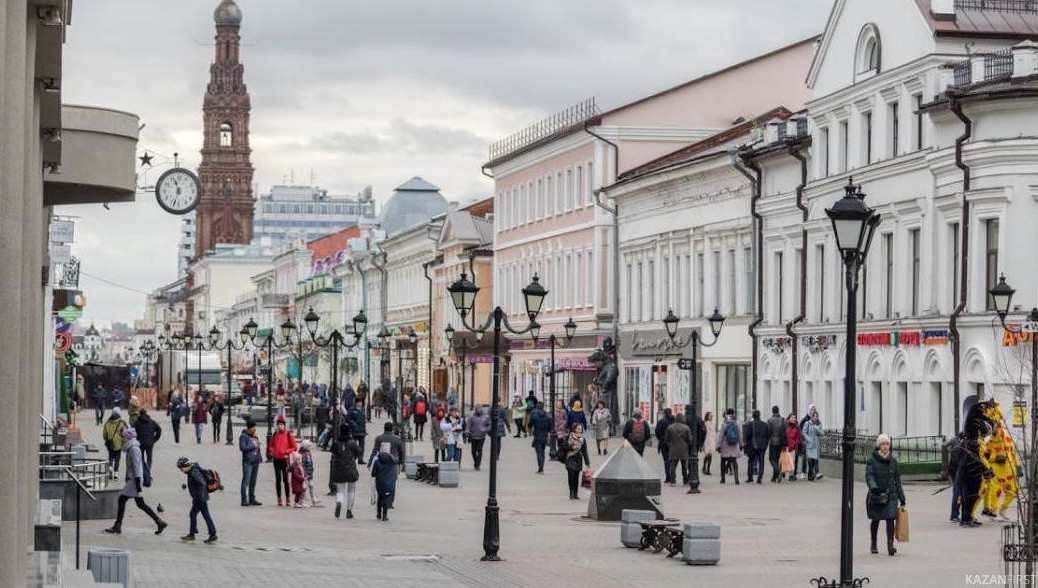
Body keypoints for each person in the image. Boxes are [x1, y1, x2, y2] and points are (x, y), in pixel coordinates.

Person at [105, 428, 166, 535]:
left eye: (123, 437)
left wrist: (138, 483)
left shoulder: (134, 449)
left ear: (128, 438)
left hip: (135, 480)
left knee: (122, 499)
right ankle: (159, 522)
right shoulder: (131, 448)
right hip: (133, 479)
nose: (122, 440)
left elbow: (137, 467)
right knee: (141, 504)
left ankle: (117, 526)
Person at [866, 434, 906, 556]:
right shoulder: (872, 460)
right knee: (876, 519)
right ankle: (873, 543)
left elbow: (897, 480)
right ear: (879, 446)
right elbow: (869, 475)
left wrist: (902, 497)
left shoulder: (893, 461)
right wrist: (873, 487)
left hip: (891, 494)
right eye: (883, 444)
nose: (885, 446)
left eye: (887, 444)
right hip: (876, 494)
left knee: (890, 519)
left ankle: (890, 545)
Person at [176, 457, 217, 543]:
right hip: (200, 497)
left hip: (200, 498)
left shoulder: (193, 472)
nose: (181, 470)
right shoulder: (192, 470)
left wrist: (198, 497)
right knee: (196, 514)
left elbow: (202, 483)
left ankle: (194, 534)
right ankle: (199, 532)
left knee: (200, 515)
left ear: (185, 466)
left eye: (181, 468)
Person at [330, 423, 361, 519]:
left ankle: (339, 502)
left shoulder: (336, 443)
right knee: (351, 490)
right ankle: (349, 511)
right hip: (350, 468)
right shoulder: (352, 443)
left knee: (340, 490)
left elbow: (333, 452)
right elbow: (358, 452)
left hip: (339, 469)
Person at [269, 415, 298, 507]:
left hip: (285, 459)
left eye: (281, 425)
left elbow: (294, 447)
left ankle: (288, 498)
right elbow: (271, 446)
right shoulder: (274, 435)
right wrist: (273, 452)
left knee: (286, 480)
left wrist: (286, 451)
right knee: (278, 480)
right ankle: (279, 499)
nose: (280, 426)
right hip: (276, 459)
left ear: (284, 426)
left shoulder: (288, 435)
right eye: (279, 425)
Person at [562, 423, 591, 500]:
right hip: (570, 458)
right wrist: (572, 447)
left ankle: (576, 493)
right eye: (578, 429)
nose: (579, 430)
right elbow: (564, 446)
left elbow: (585, 451)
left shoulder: (583, 439)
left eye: (580, 429)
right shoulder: (569, 436)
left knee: (576, 477)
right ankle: (571, 492)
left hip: (578, 459)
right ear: (574, 429)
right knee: (571, 476)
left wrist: (587, 463)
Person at [133, 409, 162, 485]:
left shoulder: (136, 423)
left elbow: (132, 432)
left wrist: (136, 439)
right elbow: (159, 429)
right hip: (150, 443)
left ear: (140, 414)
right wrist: (155, 439)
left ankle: (143, 473)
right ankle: (148, 472)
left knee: (141, 459)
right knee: (149, 459)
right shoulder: (151, 422)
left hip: (140, 443)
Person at [238, 420, 262, 506]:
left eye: (255, 427)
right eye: (253, 427)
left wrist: (260, 457)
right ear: (249, 428)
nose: (255, 429)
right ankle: (244, 499)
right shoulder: (243, 436)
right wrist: (254, 445)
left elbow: (258, 448)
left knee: (253, 481)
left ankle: (252, 498)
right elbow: (243, 448)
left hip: (255, 460)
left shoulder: (255, 437)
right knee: (246, 481)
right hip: (248, 461)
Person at [665, 414, 693, 486]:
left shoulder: (670, 427)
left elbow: (667, 439)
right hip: (684, 449)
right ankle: (685, 480)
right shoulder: (686, 428)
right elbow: (690, 440)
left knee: (673, 466)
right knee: (684, 466)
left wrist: (670, 444)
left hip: (673, 449)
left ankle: (672, 480)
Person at [371, 446, 397, 522]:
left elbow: (373, 474)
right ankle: (384, 516)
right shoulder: (392, 462)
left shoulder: (377, 461)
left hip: (379, 482)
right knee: (386, 498)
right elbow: (397, 461)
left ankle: (378, 514)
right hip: (388, 483)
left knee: (380, 497)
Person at [717, 408, 742, 485]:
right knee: (734, 462)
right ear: (733, 413)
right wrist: (741, 444)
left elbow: (720, 435)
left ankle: (723, 479)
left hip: (725, 444)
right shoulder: (737, 423)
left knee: (723, 461)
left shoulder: (724, 423)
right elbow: (740, 434)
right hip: (734, 444)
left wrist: (718, 445)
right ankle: (736, 479)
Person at [745, 409, 770, 484]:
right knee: (761, 461)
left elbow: (747, 436)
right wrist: (765, 444)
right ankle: (760, 477)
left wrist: (748, 443)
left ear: (753, 416)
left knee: (751, 461)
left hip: (753, 445)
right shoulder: (765, 424)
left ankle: (750, 477)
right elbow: (768, 435)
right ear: (759, 415)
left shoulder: (750, 424)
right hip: (762, 446)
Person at [945, 432, 965, 522]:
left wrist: (944, 466)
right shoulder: (961, 445)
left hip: (952, 470)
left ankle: (955, 514)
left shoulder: (954, 441)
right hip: (958, 471)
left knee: (956, 491)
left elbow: (943, 445)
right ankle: (954, 515)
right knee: (958, 492)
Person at [767, 406, 789, 483]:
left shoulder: (770, 420)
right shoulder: (783, 420)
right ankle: (774, 477)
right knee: (777, 459)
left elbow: (768, 432)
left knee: (771, 459)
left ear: (772, 411)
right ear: (778, 411)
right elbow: (786, 432)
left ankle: (778, 470)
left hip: (773, 442)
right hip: (781, 442)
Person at [102, 408, 127, 478]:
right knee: (117, 459)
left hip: (110, 443)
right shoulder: (121, 423)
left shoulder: (107, 422)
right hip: (118, 443)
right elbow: (125, 433)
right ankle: (116, 473)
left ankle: (110, 466)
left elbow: (104, 435)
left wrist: (106, 439)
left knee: (110, 457)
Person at [529, 401, 552, 473]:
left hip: (537, 435)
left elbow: (530, 425)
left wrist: (531, 428)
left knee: (539, 452)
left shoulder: (534, 416)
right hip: (545, 436)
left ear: (537, 407)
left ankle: (540, 467)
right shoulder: (548, 416)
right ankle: (542, 466)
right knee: (542, 451)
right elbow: (550, 427)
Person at [796, 404, 817, 480]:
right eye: (812, 409)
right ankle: (803, 472)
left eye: (814, 409)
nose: (813, 411)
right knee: (805, 457)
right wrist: (803, 439)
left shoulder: (815, 419)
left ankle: (813, 472)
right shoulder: (805, 419)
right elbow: (800, 429)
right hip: (806, 441)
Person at [466, 405, 490, 470]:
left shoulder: (486, 417)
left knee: (479, 450)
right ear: (475, 410)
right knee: (473, 451)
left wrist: (486, 429)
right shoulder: (472, 417)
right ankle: (476, 461)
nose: (478, 411)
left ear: (481, 410)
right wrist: (468, 433)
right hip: (473, 436)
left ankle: (478, 464)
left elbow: (489, 424)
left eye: (480, 409)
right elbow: (468, 426)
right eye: (477, 409)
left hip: (482, 436)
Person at [801, 412, 824, 481]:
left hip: (816, 444)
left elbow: (822, 433)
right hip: (809, 444)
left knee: (815, 460)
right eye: (814, 416)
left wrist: (817, 428)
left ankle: (814, 474)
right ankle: (811, 474)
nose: (815, 418)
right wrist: (808, 439)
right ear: (812, 417)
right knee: (810, 460)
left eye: (817, 416)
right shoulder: (807, 423)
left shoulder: (819, 424)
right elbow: (804, 432)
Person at [655, 409, 674, 480]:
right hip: (673, 443)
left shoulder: (661, 422)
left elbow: (657, 432)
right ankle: (672, 476)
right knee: (672, 461)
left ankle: (668, 477)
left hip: (664, 443)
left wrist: (661, 438)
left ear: (664, 414)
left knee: (666, 460)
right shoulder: (674, 421)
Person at [299, 439, 318, 506]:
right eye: (309, 446)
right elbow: (307, 464)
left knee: (311, 486)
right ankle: (301, 501)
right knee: (305, 487)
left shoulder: (305, 453)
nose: (310, 447)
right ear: (306, 447)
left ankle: (313, 499)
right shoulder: (306, 454)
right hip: (306, 473)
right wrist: (307, 474)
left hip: (308, 473)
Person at [783, 413, 801, 482]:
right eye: (792, 418)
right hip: (786, 445)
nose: (794, 419)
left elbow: (799, 435)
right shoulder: (785, 425)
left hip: (793, 446)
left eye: (794, 418)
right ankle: (783, 471)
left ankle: (791, 475)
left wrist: (797, 442)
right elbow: (783, 434)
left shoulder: (797, 426)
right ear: (789, 418)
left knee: (792, 461)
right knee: (785, 460)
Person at [701, 411, 717, 476]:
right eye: (710, 416)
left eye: (712, 416)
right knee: (707, 455)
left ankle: (708, 469)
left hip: (712, 440)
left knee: (710, 455)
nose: (711, 417)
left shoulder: (712, 423)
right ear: (707, 416)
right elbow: (706, 433)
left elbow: (714, 433)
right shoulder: (705, 423)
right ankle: (704, 467)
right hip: (707, 440)